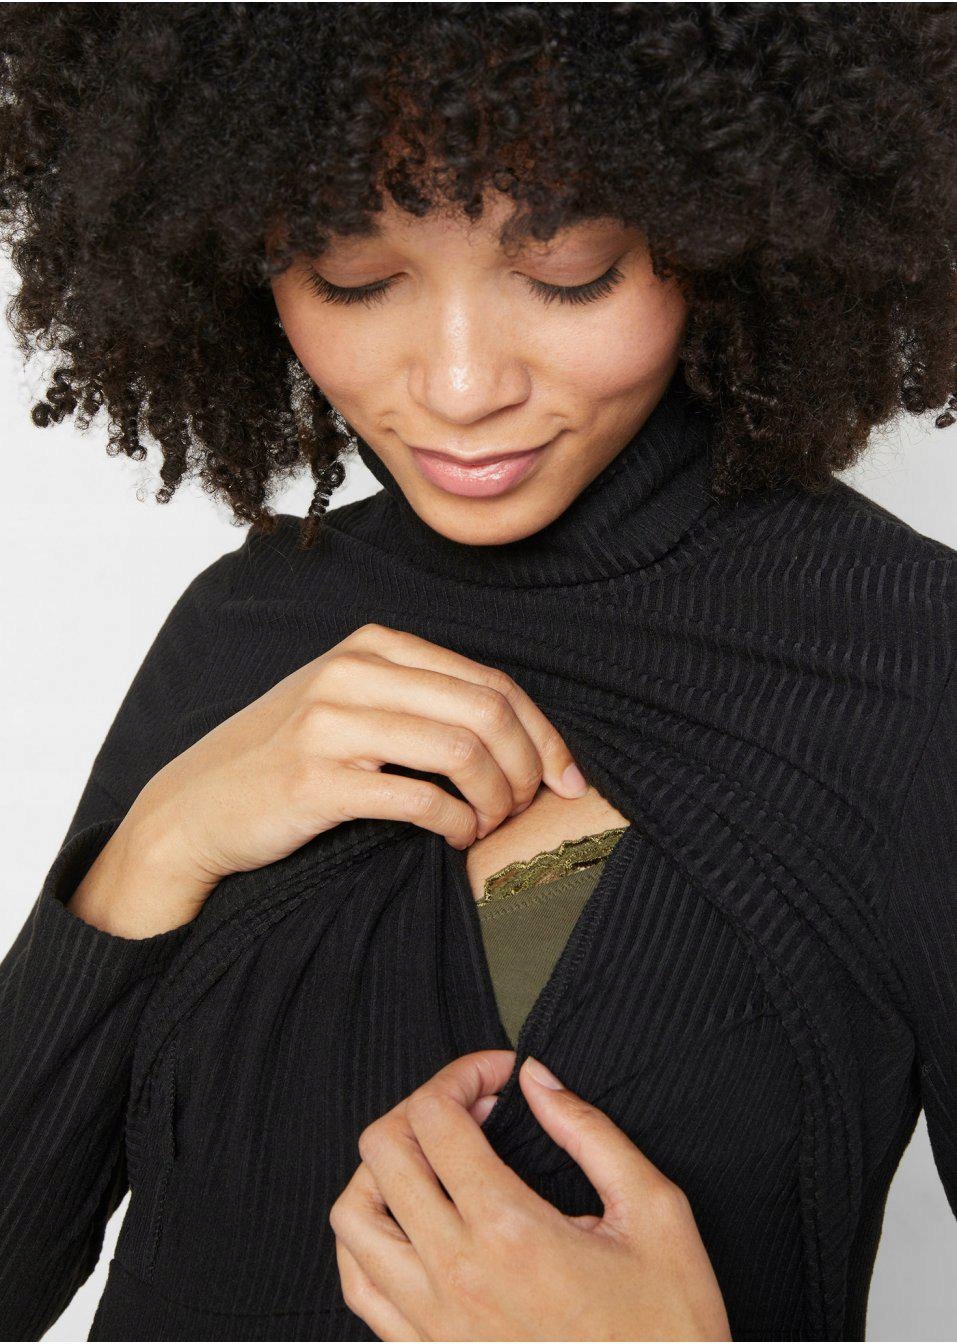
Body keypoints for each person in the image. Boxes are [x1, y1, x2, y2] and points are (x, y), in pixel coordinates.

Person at [0, 4, 955, 1340]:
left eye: (568, 271)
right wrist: (162, 842)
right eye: (348, 274)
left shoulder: (912, 667)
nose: (458, 387)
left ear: (726, 227)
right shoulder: (250, 622)